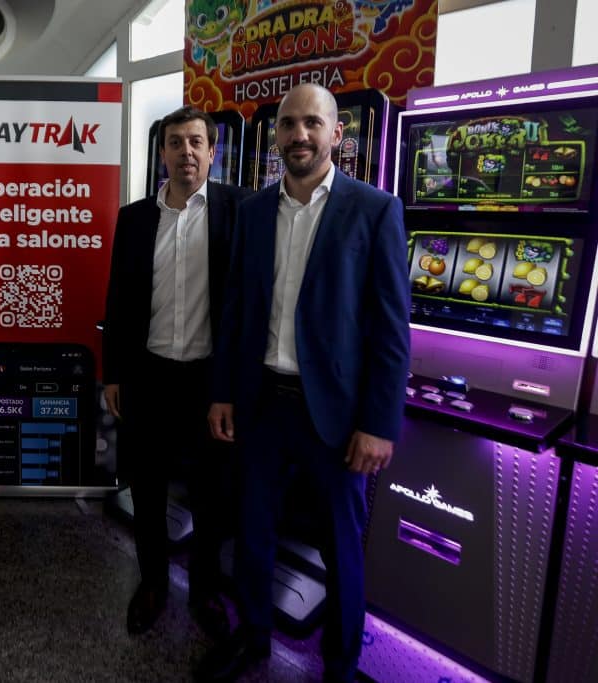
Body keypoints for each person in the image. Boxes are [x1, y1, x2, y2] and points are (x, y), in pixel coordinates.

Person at [197, 84, 410, 682]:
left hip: (336, 418)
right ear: (276, 135)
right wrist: (222, 392)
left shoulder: (374, 210)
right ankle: (253, 639)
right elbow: (236, 311)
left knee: (342, 548)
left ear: (336, 134)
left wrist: (378, 424)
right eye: (289, 124)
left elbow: (391, 330)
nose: (299, 134)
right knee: (253, 532)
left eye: (313, 123)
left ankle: (340, 666)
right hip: (261, 403)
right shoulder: (254, 211)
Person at [102, 106, 251, 638]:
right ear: (162, 152)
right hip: (148, 378)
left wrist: (236, 385)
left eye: (195, 142)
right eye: (174, 142)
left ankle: (205, 589)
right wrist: (113, 373)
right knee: (147, 489)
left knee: (213, 495)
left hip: (211, 384)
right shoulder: (135, 218)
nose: (185, 151)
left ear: (212, 151)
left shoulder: (242, 210)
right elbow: (119, 301)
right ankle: (152, 584)